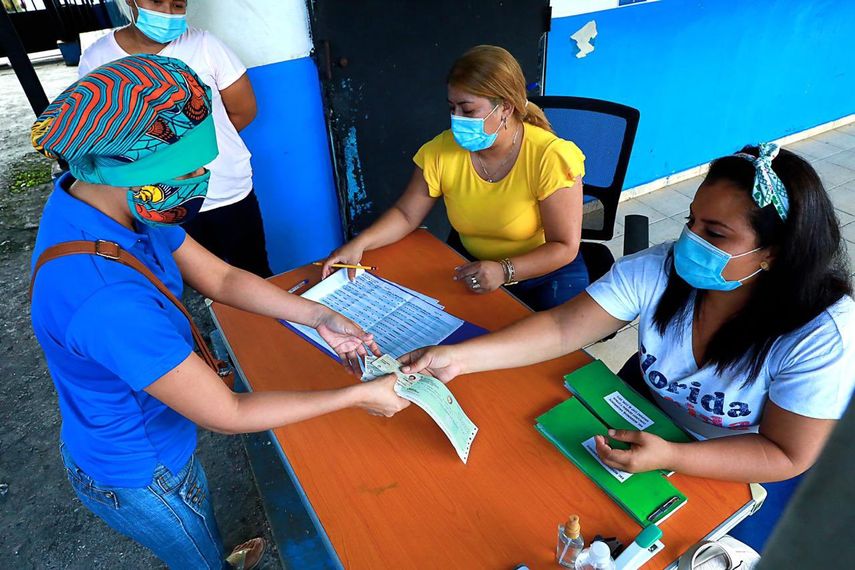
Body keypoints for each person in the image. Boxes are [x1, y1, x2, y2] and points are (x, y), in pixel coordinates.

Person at [29, 55, 408, 570]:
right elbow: (228, 415)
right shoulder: (105, 300)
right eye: (187, 169)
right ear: (131, 166)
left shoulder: (103, 202)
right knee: (195, 552)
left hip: (143, 429)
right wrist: (356, 395)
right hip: (142, 472)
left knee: (198, 516)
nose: (200, 179)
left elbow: (222, 277)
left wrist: (317, 316)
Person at [400, 143, 854, 549]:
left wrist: (674, 455)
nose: (689, 242)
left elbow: (787, 453)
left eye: (715, 234)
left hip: (733, 456)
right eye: (690, 221)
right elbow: (562, 329)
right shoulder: (658, 270)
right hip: (644, 413)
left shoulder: (820, 335)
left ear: (774, 252)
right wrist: (458, 358)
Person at [322, 45, 589, 311]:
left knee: (545, 343)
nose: (456, 120)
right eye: (451, 108)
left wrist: (505, 271)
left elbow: (563, 246)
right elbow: (406, 214)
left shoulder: (550, 157)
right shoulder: (440, 151)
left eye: (468, 110)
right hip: (472, 267)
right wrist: (359, 244)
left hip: (545, 273)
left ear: (505, 108)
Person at [78, 0, 273, 277]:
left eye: (178, 4)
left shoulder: (206, 46)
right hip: (161, 199)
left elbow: (243, 111)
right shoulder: (98, 58)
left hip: (226, 188)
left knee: (254, 271)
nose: (167, 12)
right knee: (200, 282)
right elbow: (102, 133)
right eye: (157, 1)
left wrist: (196, 151)